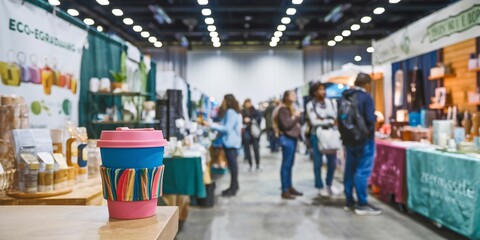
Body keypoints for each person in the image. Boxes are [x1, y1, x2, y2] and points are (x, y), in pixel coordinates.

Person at [339, 73, 382, 216]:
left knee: (350, 170)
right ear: (368, 84)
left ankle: (349, 201)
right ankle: (362, 203)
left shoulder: (345, 96)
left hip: (348, 139)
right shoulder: (365, 97)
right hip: (364, 139)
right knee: (362, 171)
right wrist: (377, 116)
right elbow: (370, 118)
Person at [306, 82, 340, 197]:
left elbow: (334, 117)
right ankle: (319, 186)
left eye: (323, 89)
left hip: (331, 134)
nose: (323, 91)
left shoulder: (331, 102)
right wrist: (328, 120)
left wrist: (324, 119)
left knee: (332, 162)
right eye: (320, 89)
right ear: (314, 92)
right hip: (317, 135)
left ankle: (329, 184)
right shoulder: (311, 105)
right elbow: (314, 121)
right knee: (318, 162)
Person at [207, 94, 243, 197]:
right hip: (233, 143)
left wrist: (212, 125)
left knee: (233, 167)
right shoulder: (235, 112)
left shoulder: (230, 112)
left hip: (230, 143)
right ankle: (234, 186)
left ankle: (233, 188)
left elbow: (227, 128)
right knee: (233, 167)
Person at [275, 90, 303, 200]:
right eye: (293, 95)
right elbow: (286, 125)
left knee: (290, 164)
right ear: (287, 97)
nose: (295, 96)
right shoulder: (283, 109)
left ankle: (289, 186)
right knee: (286, 165)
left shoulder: (290, 108)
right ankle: (285, 189)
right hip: (287, 139)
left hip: (292, 139)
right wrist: (296, 116)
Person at [242, 99, 262, 171]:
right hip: (246, 132)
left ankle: (257, 164)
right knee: (247, 149)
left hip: (254, 132)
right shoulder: (243, 111)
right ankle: (250, 164)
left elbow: (259, 118)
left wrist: (250, 119)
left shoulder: (255, 111)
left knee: (256, 148)